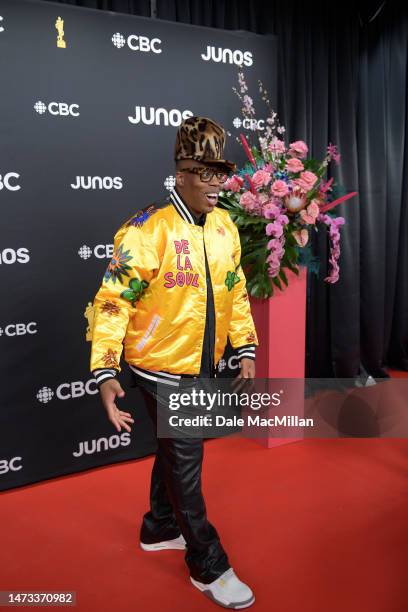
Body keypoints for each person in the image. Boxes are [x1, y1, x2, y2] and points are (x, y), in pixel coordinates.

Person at [88, 116, 258, 609]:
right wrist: (105, 370)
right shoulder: (145, 229)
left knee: (174, 453)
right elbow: (112, 300)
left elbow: (236, 289)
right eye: (203, 173)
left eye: (220, 173)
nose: (215, 183)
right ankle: (209, 564)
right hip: (159, 368)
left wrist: (244, 345)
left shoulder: (225, 224)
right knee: (186, 464)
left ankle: (160, 527)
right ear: (179, 174)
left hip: (202, 363)